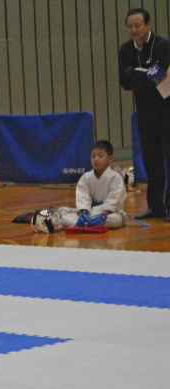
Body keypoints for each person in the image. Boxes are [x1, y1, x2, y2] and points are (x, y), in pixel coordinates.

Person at [118, 8, 170, 222]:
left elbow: (159, 75)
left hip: (166, 110)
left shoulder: (163, 46)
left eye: (138, 25)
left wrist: (137, 74)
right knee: (151, 159)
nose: (134, 29)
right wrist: (146, 74)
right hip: (145, 112)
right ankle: (156, 206)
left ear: (148, 25)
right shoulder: (126, 50)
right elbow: (125, 82)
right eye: (130, 26)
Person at [52, 140, 129, 230]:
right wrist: (83, 214)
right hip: (89, 212)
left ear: (110, 158)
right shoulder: (86, 177)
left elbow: (114, 199)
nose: (96, 159)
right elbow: (82, 197)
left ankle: (83, 224)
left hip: (108, 214)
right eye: (93, 156)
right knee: (63, 212)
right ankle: (88, 223)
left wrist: (103, 215)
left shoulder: (115, 178)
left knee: (116, 219)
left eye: (100, 156)